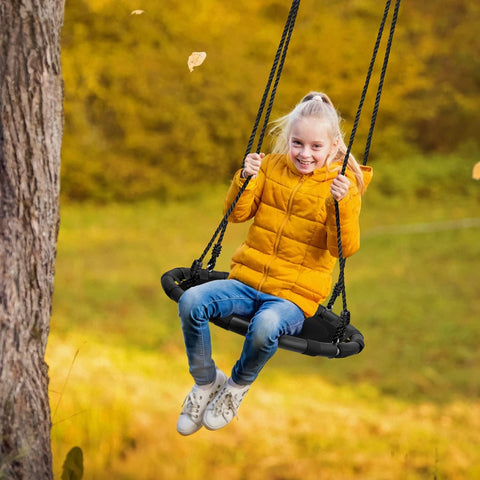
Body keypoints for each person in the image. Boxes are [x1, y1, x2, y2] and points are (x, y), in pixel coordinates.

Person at [176, 92, 372, 436]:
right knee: (191, 301)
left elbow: (343, 248)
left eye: (315, 146)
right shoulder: (270, 166)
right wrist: (246, 177)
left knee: (266, 326)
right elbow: (236, 214)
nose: (304, 154)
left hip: (293, 297)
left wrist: (341, 205)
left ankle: (235, 387)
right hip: (246, 280)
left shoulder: (341, 188)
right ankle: (206, 381)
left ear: (333, 146)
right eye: (297, 143)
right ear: (288, 139)